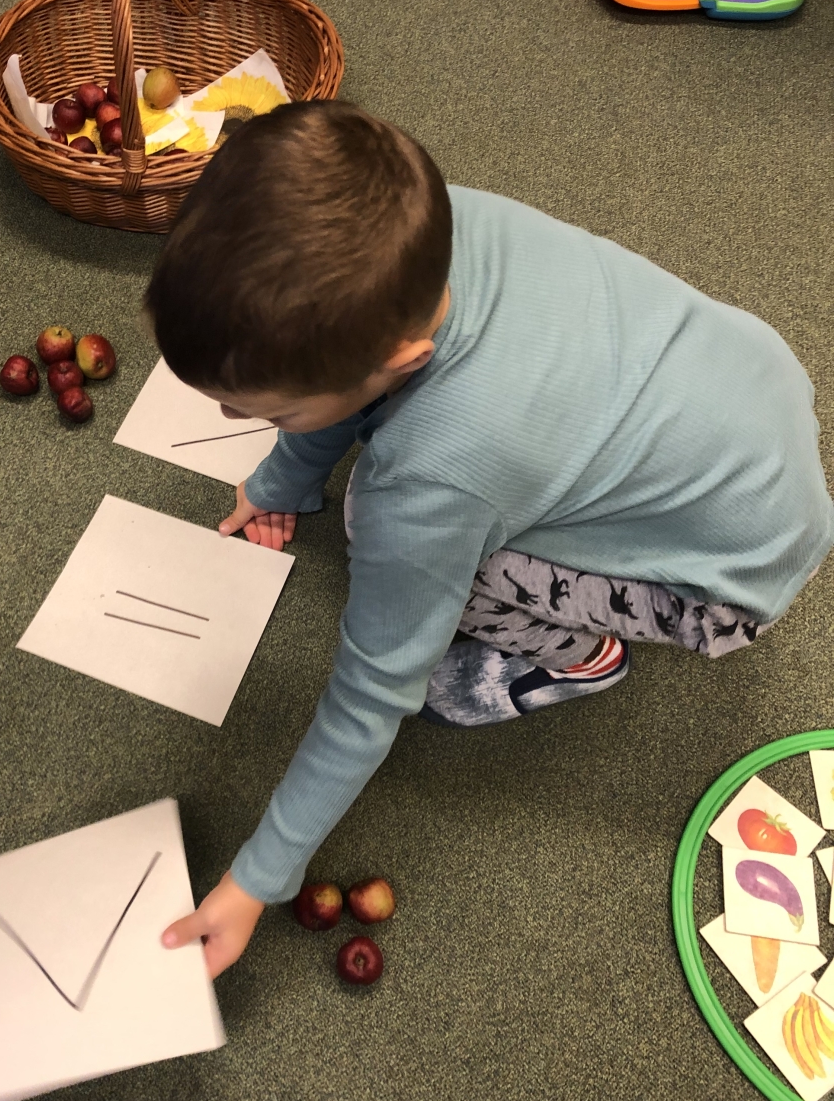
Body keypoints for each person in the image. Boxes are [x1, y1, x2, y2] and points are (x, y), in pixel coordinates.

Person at [147, 100, 833, 977]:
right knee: (404, 499)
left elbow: (375, 686)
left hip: (723, 583)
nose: (225, 419)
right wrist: (283, 477)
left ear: (399, 362)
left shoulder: (428, 482)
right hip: (750, 393)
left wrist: (257, 877)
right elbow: (350, 380)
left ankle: (577, 660)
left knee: (403, 541)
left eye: (262, 411)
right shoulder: (423, 231)